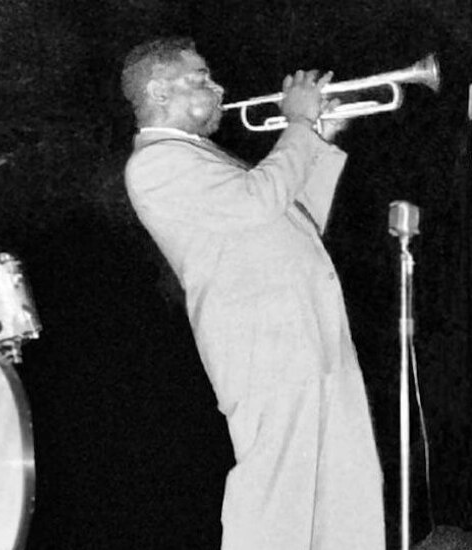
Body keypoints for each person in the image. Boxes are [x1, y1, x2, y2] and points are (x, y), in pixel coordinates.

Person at [121, 37, 386, 549]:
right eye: (201, 78)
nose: (218, 87)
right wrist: (300, 125)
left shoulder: (199, 155)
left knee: (343, 486)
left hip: (307, 332)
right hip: (262, 344)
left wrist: (320, 140)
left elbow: (299, 220)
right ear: (157, 90)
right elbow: (260, 200)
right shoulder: (154, 163)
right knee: (277, 495)